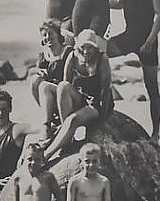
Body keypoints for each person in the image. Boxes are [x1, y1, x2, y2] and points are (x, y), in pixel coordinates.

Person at [107, 0, 160, 144]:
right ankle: (103, 101)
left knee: (152, 89)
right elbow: (121, 4)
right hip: (129, 37)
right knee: (99, 52)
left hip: (147, 41)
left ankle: (156, 134)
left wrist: (150, 41)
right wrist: (98, 0)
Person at [42, 29, 113, 161]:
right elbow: (65, 85)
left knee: (73, 120)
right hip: (82, 98)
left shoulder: (102, 59)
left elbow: (106, 91)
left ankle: (47, 155)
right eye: (83, 47)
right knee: (62, 86)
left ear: (95, 47)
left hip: (96, 103)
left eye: (90, 47)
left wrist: (101, 121)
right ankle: (67, 136)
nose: (86, 51)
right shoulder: (73, 57)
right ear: (78, 47)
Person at [29, 19, 73, 140]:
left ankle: (47, 125)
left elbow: (68, 81)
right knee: (34, 80)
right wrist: (40, 73)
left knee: (44, 86)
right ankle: (50, 118)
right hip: (52, 93)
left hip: (68, 93)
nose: (48, 37)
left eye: (51, 34)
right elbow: (36, 72)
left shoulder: (67, 52)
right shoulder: (44, 56)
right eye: (44, 35)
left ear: (58, 35)